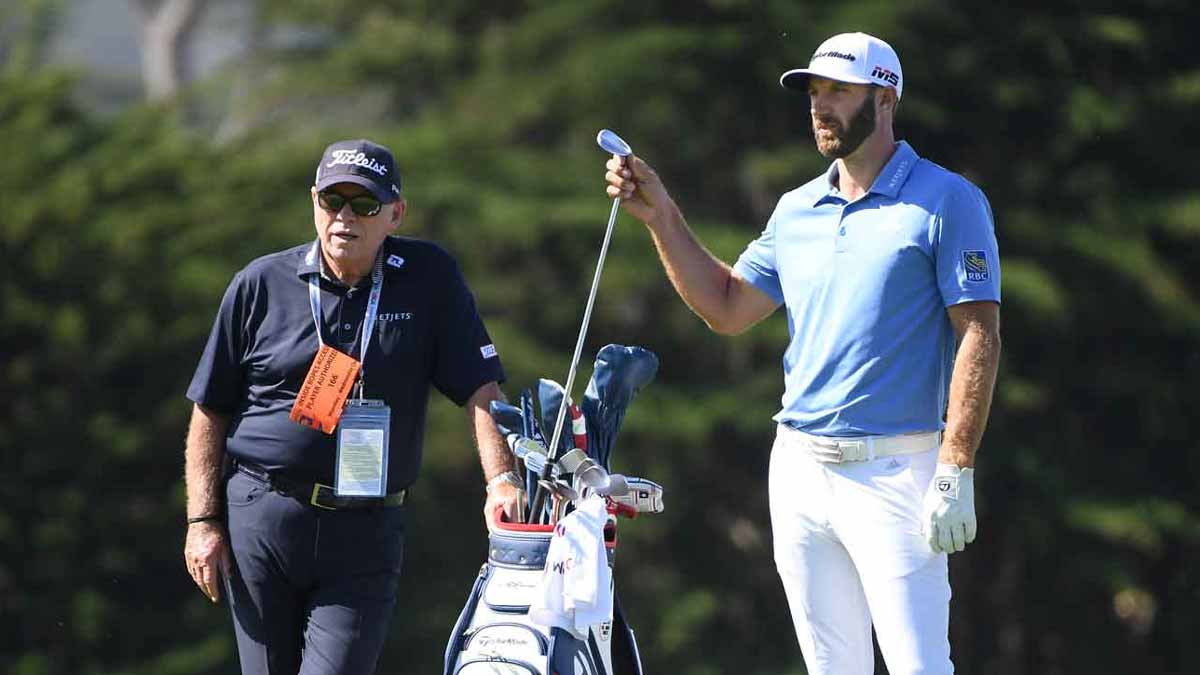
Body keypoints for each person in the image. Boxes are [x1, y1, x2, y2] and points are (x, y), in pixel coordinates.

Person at [604, 32, 1001, 675]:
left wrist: (956, 466)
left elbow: (978, 332)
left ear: (885, 98)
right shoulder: (797, 211)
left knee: (920, 666)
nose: (821, 106)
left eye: (838, 91)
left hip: (898, 472)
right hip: (799, 470)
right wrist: (662, 218)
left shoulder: (947, 200)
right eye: (815, 92)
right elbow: (728, 306)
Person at [182, 138, 522, 675]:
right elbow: (210, 409)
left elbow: (481, 390)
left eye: (363, 205)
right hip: (263, 514)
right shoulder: (260, 283)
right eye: (332, 201)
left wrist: (501, 481)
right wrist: (202, 520)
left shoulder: (429, 279)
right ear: (313, 201)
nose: (345, 217)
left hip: (365, 526)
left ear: (395, 214)